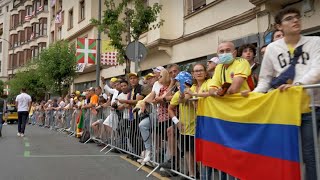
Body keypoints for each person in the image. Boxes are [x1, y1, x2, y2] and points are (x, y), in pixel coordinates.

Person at [249, 7, 320, 180]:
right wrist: (253, 96)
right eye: (289, 19)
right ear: (279, 26)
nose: (295, 20)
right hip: (284, 108)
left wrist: (296, 86)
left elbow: (318, 69)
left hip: (310, 106)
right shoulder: (273, 48)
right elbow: (265, 79)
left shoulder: (315, 42)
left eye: (297, 17)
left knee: (310, 154)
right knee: (285, 153)